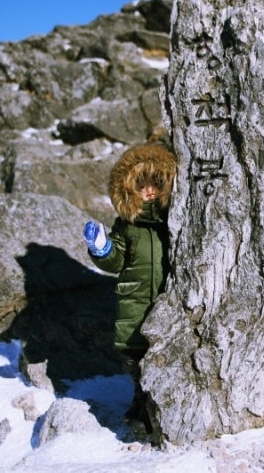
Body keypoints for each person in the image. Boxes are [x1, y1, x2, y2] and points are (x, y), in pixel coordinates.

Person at [83, 140, 177, 435]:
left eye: (156, 183)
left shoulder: (173, 221)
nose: (149, 191)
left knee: (164, 360)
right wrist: (102, 248)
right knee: (136, 363)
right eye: (141, 185)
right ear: (129, 189)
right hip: (133, 306)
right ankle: (140, 406)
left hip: (165, 304)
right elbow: (115, 261)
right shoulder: (127, 225)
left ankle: (153, 411)